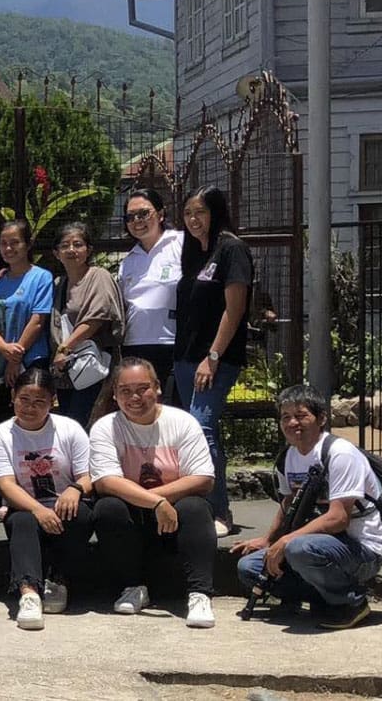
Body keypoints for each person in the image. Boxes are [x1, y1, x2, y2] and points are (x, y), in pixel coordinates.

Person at [233, 385, 382, 630]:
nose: (293, 423)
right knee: (250, 567)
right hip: (320, 544)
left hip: (361, 549)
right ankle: (324, 598)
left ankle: (352, 602)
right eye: (286, 417)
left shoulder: (339, 454)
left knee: (297, 548)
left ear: (321, 418)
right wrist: (268, 540)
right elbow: (288, 504)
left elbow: (338, 518)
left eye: (301, 415)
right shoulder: (288, 457)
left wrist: (284, 542)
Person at [90, 357, 217, 628]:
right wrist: (156, 501)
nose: (134, 397)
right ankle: (132, 586)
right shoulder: (106, 426)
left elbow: (204, 478)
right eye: (125, 391)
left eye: (142, 388)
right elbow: (105, 482)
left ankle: (200, 593)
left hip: (175, 516)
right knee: (107, 508)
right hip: (134, 516)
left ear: (157, 388)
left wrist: (161, 500)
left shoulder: (182, 422)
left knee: (196, 507)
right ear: (114, 394)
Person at [0, 369, 95, 631]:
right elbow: (5, 483)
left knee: (81, 515)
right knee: (23, 521)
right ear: (13, 397)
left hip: (64, 503)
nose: (30, 408)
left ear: (52, 402)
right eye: (24, 400)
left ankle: (59, 578)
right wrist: (38, 509)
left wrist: (75, 489)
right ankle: (29, 592)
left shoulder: (69, 429)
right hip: (24, 505)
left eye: (39, 402)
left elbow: (88, 475)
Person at [173, 186, 253, 535]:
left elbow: (234, 310)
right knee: (191, 433)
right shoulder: (193, 253)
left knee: (202, 429)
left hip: (215, 360)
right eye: (188, 213)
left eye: (200, 212)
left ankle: (221, 512)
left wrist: (213, 357)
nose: (193, 220)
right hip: (185, 359)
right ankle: (197, 509)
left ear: (216, 212)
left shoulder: (232, 249)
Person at [52, 222, 123, 426]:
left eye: (77, 244)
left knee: (85, 422)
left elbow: (96, 318)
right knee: (67, 424)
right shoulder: (59, 283)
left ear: (89, 249)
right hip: (66, 370)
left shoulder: (98, 276)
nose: (71, 250)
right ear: (56, 253)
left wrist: (65, 348)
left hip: (93, 367)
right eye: (65, 246)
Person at [119, 188, 185, 393]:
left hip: (173, 344)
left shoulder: (181, 243)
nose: (137, 220)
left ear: (161, 214)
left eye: (144, 214)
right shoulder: (128, 261)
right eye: (130, 217)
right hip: (134, 346)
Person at [0, 219, 55, 389]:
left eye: (15, 243)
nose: (8, 248)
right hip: (0, 360)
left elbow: (38, 321)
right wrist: (2, 347)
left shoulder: (42, 277)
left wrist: (15, 358)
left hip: (32, 359)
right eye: (3, 243)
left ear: (28, 245)